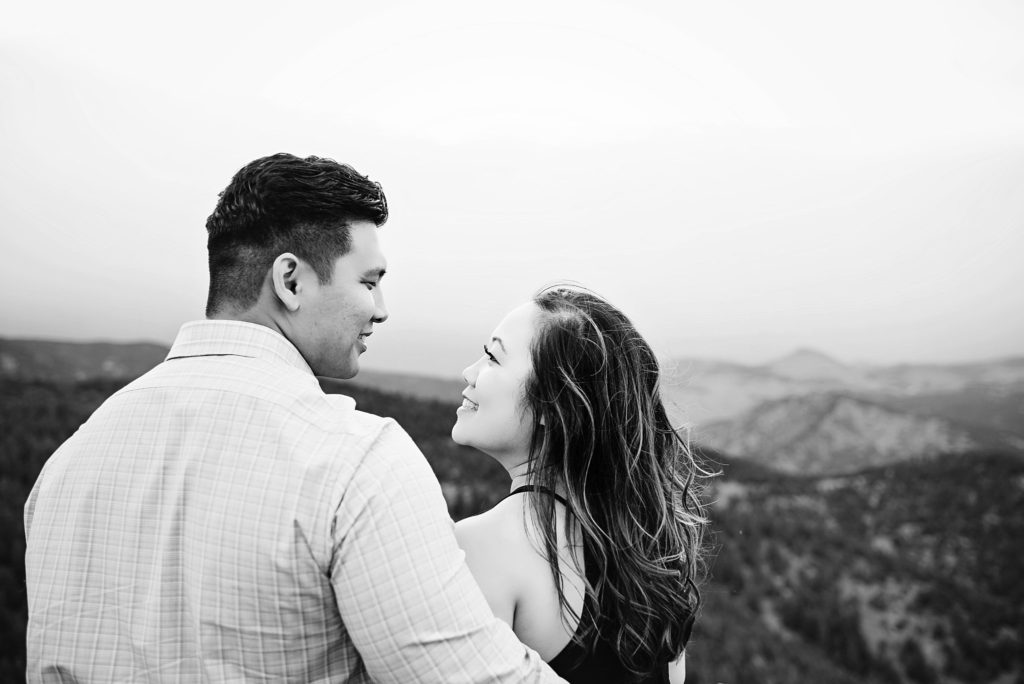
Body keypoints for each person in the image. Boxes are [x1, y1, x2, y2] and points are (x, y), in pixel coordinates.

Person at [24, 153, 566, 683]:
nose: (381, 309)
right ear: (291, 281)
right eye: (369, 281)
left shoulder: (67, 464)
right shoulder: (355, 459)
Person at [452, 286, 707, 683]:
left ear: (551, 406)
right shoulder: (653, 558)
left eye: (492, 357)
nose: (469, 372)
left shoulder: (484, 546)